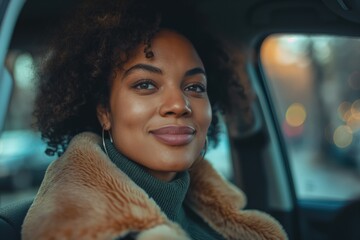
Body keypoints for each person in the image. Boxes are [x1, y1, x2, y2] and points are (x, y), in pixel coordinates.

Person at [22, 0, 287, 239]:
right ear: (104, 111)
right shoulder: (77, 229)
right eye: (146, 84)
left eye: (195, 87)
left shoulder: (218, 217)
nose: (179, 105)